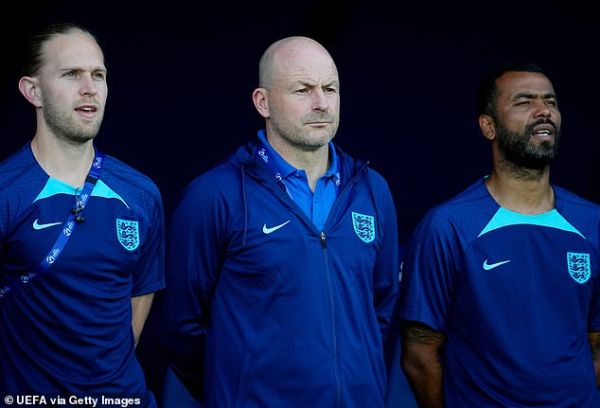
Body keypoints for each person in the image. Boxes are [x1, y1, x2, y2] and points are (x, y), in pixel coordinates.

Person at [159, 36, 400, 407]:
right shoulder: (214, 195)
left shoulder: (372, 189)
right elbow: (180, 328)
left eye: (330, 89)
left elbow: (381, 309)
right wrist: (240, 387)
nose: (321, 103)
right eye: (303, 89)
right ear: (263, 101)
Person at [398, 62, 600, 407]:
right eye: (524, 102)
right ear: (488, 126)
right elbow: (419, 355)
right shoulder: (447, 226)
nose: (543, 112)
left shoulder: (592, 221)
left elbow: (595, 343)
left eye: (550, 102)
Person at [0, 23, 164, 406]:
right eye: (71, 74)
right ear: (33, 91)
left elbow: (138, 299)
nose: (90, 87)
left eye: (99, 75)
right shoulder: (7, 192)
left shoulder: (141, 193)